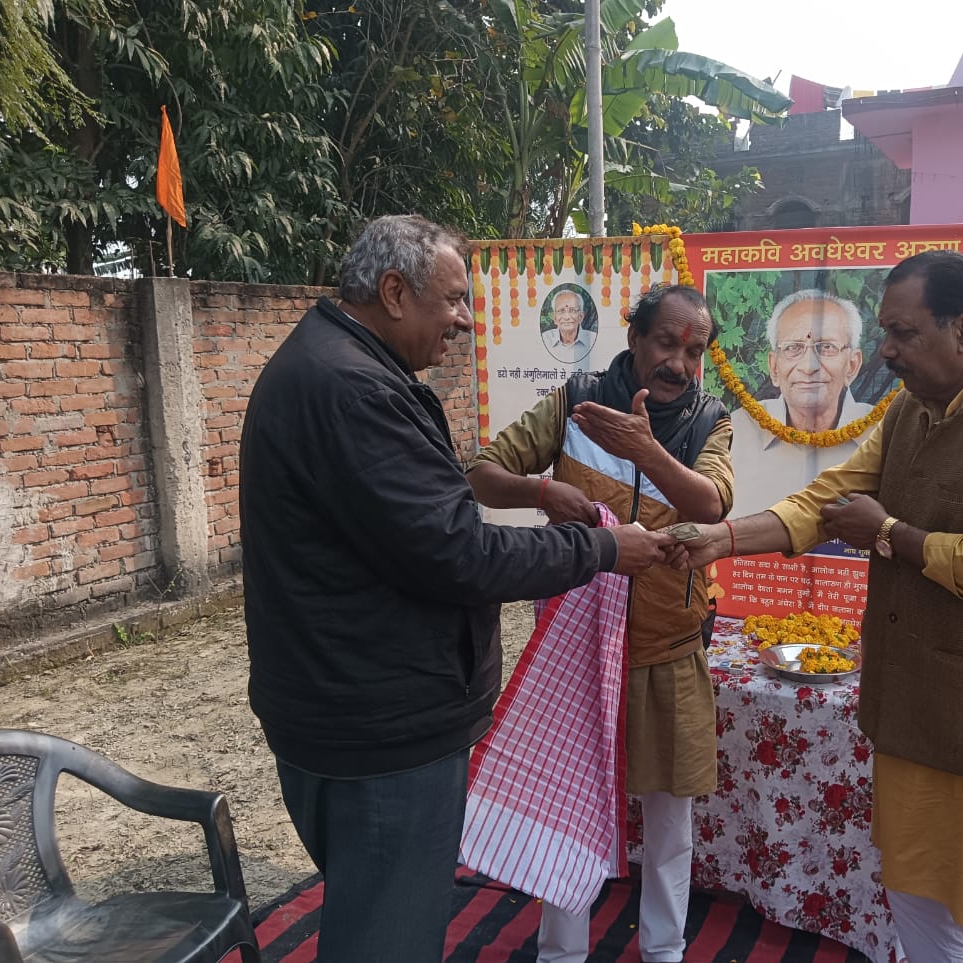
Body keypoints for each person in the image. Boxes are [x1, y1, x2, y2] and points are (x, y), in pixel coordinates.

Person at [239, 214, 675, 963]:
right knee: (386, 935)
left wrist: (543, 495)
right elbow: (458, 551)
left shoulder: (332, 365)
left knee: (369, 906)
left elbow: (421, 529)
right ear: (393, 292)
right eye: (452, 300)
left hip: (345, 707)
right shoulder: (355, 389)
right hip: (382, 731)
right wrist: (602, 547)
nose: (466, 321)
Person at [671, 250, 963, 963]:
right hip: (911, 711)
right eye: (885, 333)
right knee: (916, 899)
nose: (887, 352)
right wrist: (723, 539)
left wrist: (892, 534)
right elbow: (828, 499)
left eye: (903, 333)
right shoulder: (912, 412)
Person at [467, 283, 734, 963]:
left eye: (695, 351)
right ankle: (562, 953)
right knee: (568, 803)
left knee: (670, 818)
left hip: (669, 646)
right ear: (635, 337)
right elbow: (482, 473)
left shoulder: (710, 420)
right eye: (667, 343)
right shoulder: (576, 401)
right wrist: (540, 489)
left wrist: (646, 450)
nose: (680, 364)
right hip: (576, 646)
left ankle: (664, 949)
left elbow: (711, 504)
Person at [729, 289, 875, 517]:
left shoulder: (883, 434)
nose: (809, 367)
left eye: (826, 347)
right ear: (774, 367)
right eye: (792, 348)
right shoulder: (736, 432)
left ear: (852, 365)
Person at [542, 287, 596, 362]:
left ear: (581, 317)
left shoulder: (592, 340)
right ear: (555, 318)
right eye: (561, 311)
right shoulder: (545, 339)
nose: (566, 317)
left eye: (572, 310)